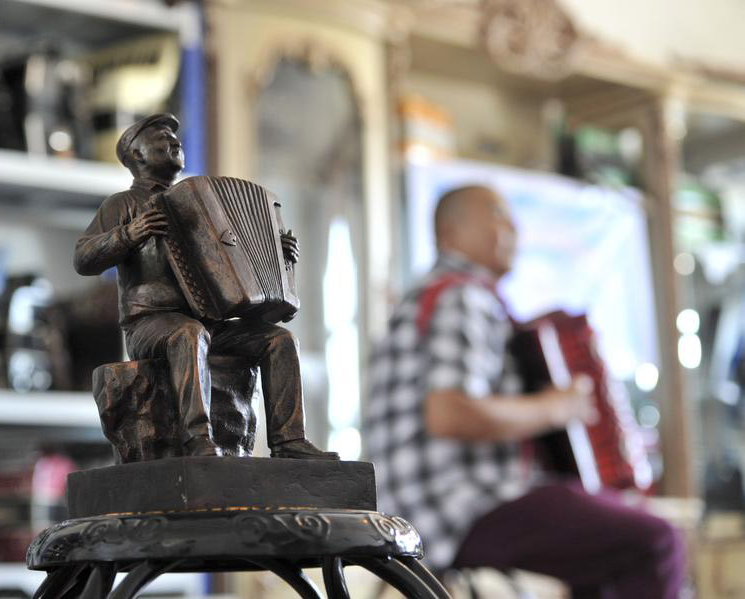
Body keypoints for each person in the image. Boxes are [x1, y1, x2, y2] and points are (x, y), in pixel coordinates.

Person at [364, 184, 686, 598]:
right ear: (451, 232)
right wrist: (555, 408)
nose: (513, 229)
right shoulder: (461, 294)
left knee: (603, 561)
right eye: (498, 216)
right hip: (455, 511)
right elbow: (449, 413)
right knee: (656, 543)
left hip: (418, 515)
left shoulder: (429, 298)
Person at [73, 113, 336, 460]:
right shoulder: (122, 205)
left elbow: (235, 253)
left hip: (212, 322)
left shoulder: (199, 200)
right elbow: (83, 258)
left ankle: (289, 441)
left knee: (279, 340)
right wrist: (129, 234)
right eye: (161, 137)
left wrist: (277, 250)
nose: (174, 142)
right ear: (137, 155)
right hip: (150, 324)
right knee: (189, 333)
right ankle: (197, 439)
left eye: (174, 137)